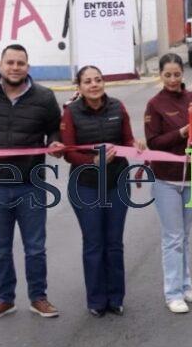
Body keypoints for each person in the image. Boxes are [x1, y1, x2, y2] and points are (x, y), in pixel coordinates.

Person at [0, 44, 63, 320]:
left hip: (31, 183)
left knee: (35, 247)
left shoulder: (44, 97)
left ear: (27, 67)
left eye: (20, 63)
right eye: (10, 62)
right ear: (0, 65)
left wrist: (55, 141)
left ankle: (38, 297)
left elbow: (54, 128)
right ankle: (4, 299)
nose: (15, 67)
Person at [60, 65, 146, 317]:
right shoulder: (71, 112)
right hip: (85, 185)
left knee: (114, 243)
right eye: (88, 81)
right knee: (94, 243)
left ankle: (116, 298)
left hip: (117, 182)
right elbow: (68, 152)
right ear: (79, 87)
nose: (94, 85)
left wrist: (135, 144)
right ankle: (96, 300)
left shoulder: (117, 107)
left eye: (98, 79)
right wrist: (92, 162)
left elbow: (127, 138)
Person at [145, 53, 192, 314]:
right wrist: (181, 133)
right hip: (166, 179)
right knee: (172, 238)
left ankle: (186, 286)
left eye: (177, 74)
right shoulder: (155, 104)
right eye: (167, 75)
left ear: (182, 74)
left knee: (184, 236)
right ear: (160, 76)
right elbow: (154, 143)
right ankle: (172, 293)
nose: (173, 79)